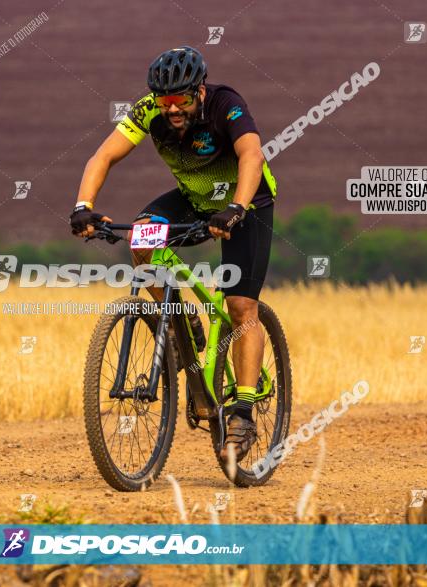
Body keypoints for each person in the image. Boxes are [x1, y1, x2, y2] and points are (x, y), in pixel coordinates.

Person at [70, 46, 277, 461]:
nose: (172, 109)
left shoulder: (225, 104)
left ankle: (243, 413)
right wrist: (82, 206)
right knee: (142, 243)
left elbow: (251, 155)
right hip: (193, 199)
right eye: (165, 101)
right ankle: (183, 327)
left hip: (245, 203)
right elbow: (104, 155)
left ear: (199, 91)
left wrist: (235, 208)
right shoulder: (149, 109)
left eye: (181, 99)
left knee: (239, 305)